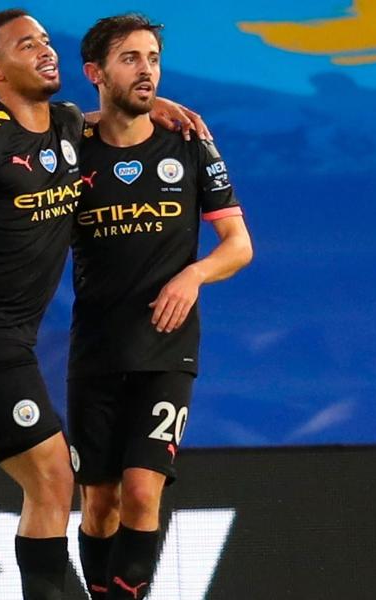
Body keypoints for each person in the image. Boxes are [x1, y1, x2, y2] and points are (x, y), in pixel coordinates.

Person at [0, 9, 208, 600]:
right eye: (29, 46)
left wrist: (154, 105)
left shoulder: (70, 124)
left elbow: (111, 114)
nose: (46, 52)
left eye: (47, 41)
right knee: (54, 485)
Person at [68, 14, 253, 599]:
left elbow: (239, 244)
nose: (146, 69)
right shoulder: (69, 150)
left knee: (143, 493)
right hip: (95, 349)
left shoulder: (191, 143)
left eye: (152, 58)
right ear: (95, 72)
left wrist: (192, 277)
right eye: (130, 58)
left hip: (166, 351)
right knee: (98, 503)